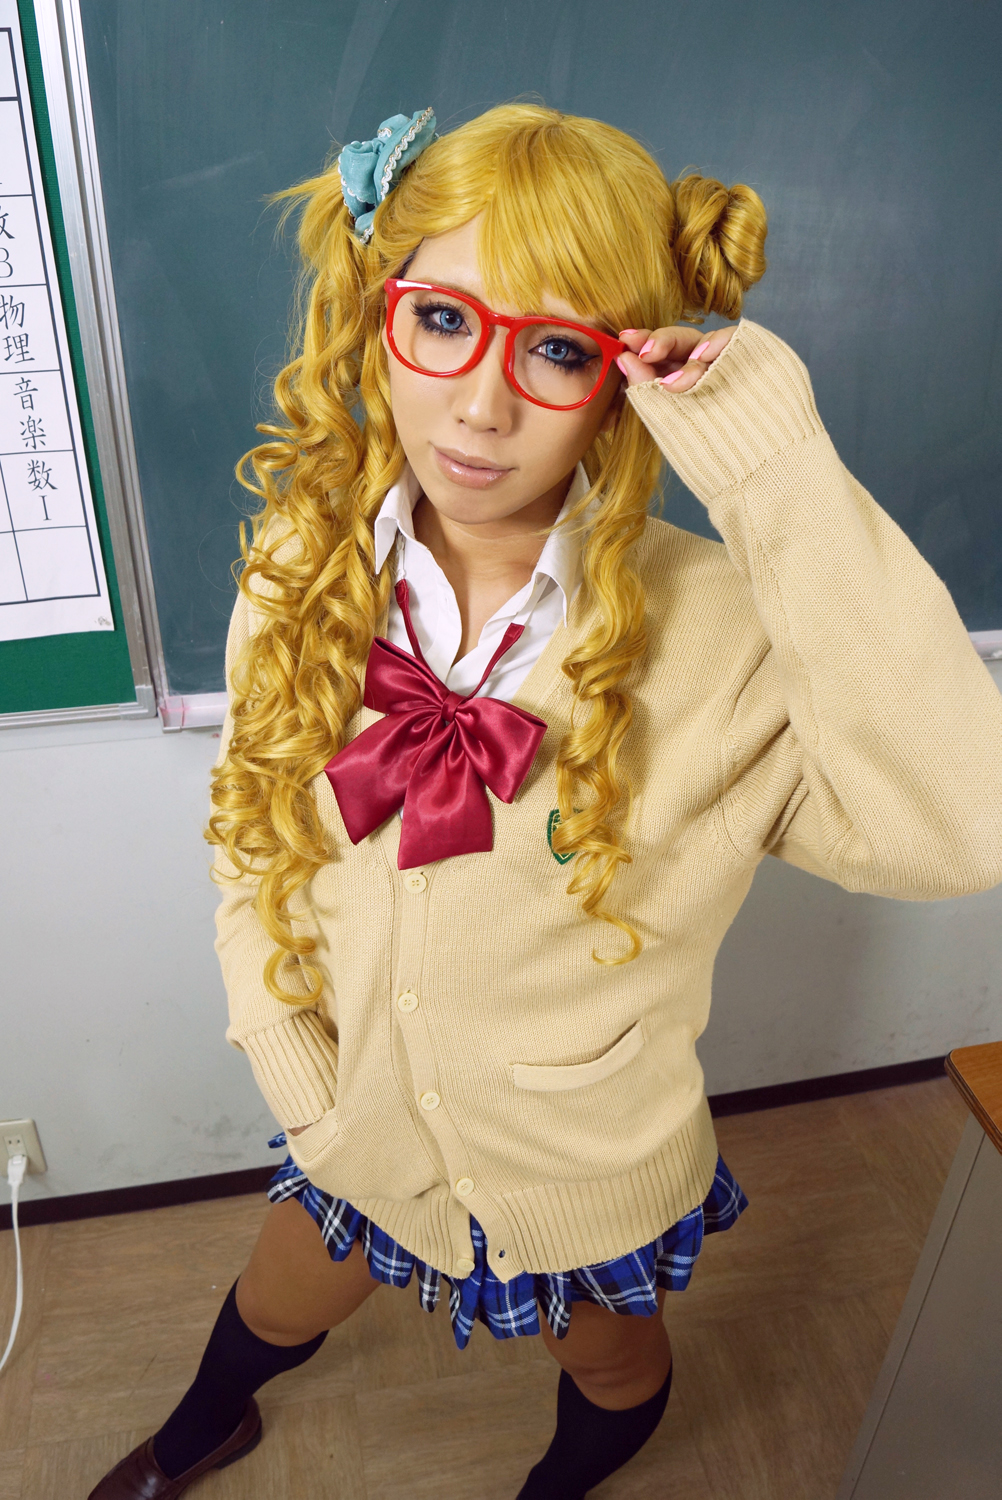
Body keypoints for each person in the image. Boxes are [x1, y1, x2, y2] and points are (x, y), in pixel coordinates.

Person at [89, 103, 1002, 1500]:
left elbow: (966, 824)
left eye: (558, 349)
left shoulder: (721, 636)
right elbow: (246, 831)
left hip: (586, 1164)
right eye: (443, 321)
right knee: (273, 1303)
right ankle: (197, 1432)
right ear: (379, 314)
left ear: (624, 374)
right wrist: (296, 1066)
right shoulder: (298, 568)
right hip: (359, 1121)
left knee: (614, 1370)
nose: (481, 405)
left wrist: (775, 468)